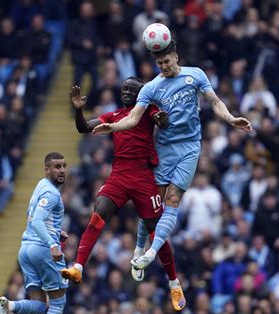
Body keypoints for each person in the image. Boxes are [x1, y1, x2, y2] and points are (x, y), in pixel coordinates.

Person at [93, 39, 252, 270]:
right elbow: (134, 118)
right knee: (153, 204)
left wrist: (231, 119)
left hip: (190, 147)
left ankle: (151, 252)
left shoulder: (195, 75)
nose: (164, 66)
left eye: (167, 61)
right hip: (165, 148)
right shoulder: (151, 88)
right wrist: (113, 127)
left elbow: (215, 101)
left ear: (176, 56)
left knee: (173, 200)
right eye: (160, 63)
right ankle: (139, 247)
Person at [60, 77, 187, 311]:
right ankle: (78, 267)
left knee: (156, 231)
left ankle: (174, 282)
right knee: (98, 212)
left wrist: (162, 120)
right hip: (119, 175)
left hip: (142, 176)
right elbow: (83, 127)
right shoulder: (114, 115)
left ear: (141, 94)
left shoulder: (148, 110)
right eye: (124, 89)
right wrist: (79, 110)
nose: (127, 92)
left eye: (132, 89)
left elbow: (164, 124)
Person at [0, 152, 68, 314]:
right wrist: (52, 243)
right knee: (58, 303)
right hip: (44, 251)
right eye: (57, 167)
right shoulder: (52, 194)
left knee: (40, 306)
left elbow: (31, 214)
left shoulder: (40, 185)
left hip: (26, 250)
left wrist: (56, 232)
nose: (62, 170)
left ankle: (9, 305)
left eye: (64, 166)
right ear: (46, 170)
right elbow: (37, 221)